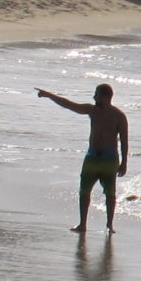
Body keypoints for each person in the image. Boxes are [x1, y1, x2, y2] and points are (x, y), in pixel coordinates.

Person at [37, 83, 129, 233]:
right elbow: (69, 105)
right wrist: (49, 95)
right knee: (84, 192)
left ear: (105, 97)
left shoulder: (119, 116)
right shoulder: (92, 111)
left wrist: (124, 163)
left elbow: (124, 141)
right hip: (92, 157)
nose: (94, 97)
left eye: (96, 94)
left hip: (109, 160)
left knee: (110, 194)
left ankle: (109, 225)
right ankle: (82, 225)